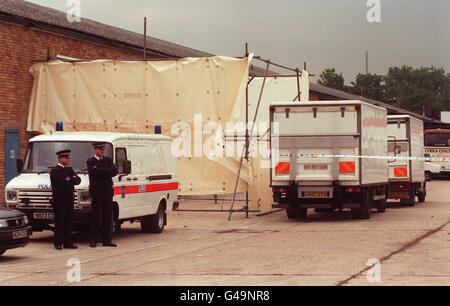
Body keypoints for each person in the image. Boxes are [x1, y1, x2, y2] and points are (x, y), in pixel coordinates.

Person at [87, 142, 118, 247]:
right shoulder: (91, 161)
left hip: (107, 191)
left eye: (103, 149)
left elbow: (114, 171)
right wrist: (106, 171)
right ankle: (93, 240)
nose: (102, 151)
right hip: (97, 192)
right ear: (95, 150)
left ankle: (107, 240)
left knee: (107, 217)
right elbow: (94, 173)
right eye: (100, 149)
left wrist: (101, 170)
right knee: (95, 217)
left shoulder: (108, 160)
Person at [50, 150, 81, 250]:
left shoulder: (69, 169)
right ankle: (58, 242)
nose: (68, 159)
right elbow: (62, 183)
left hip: (69, 199)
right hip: (60, 199)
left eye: (68, 158)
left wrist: (69, 179)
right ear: (60, 159)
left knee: (68, 221)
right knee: (60, 221)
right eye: (66, 158)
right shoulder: (55, 171)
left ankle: (68, 242)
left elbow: (78, 180)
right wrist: (69, 179)